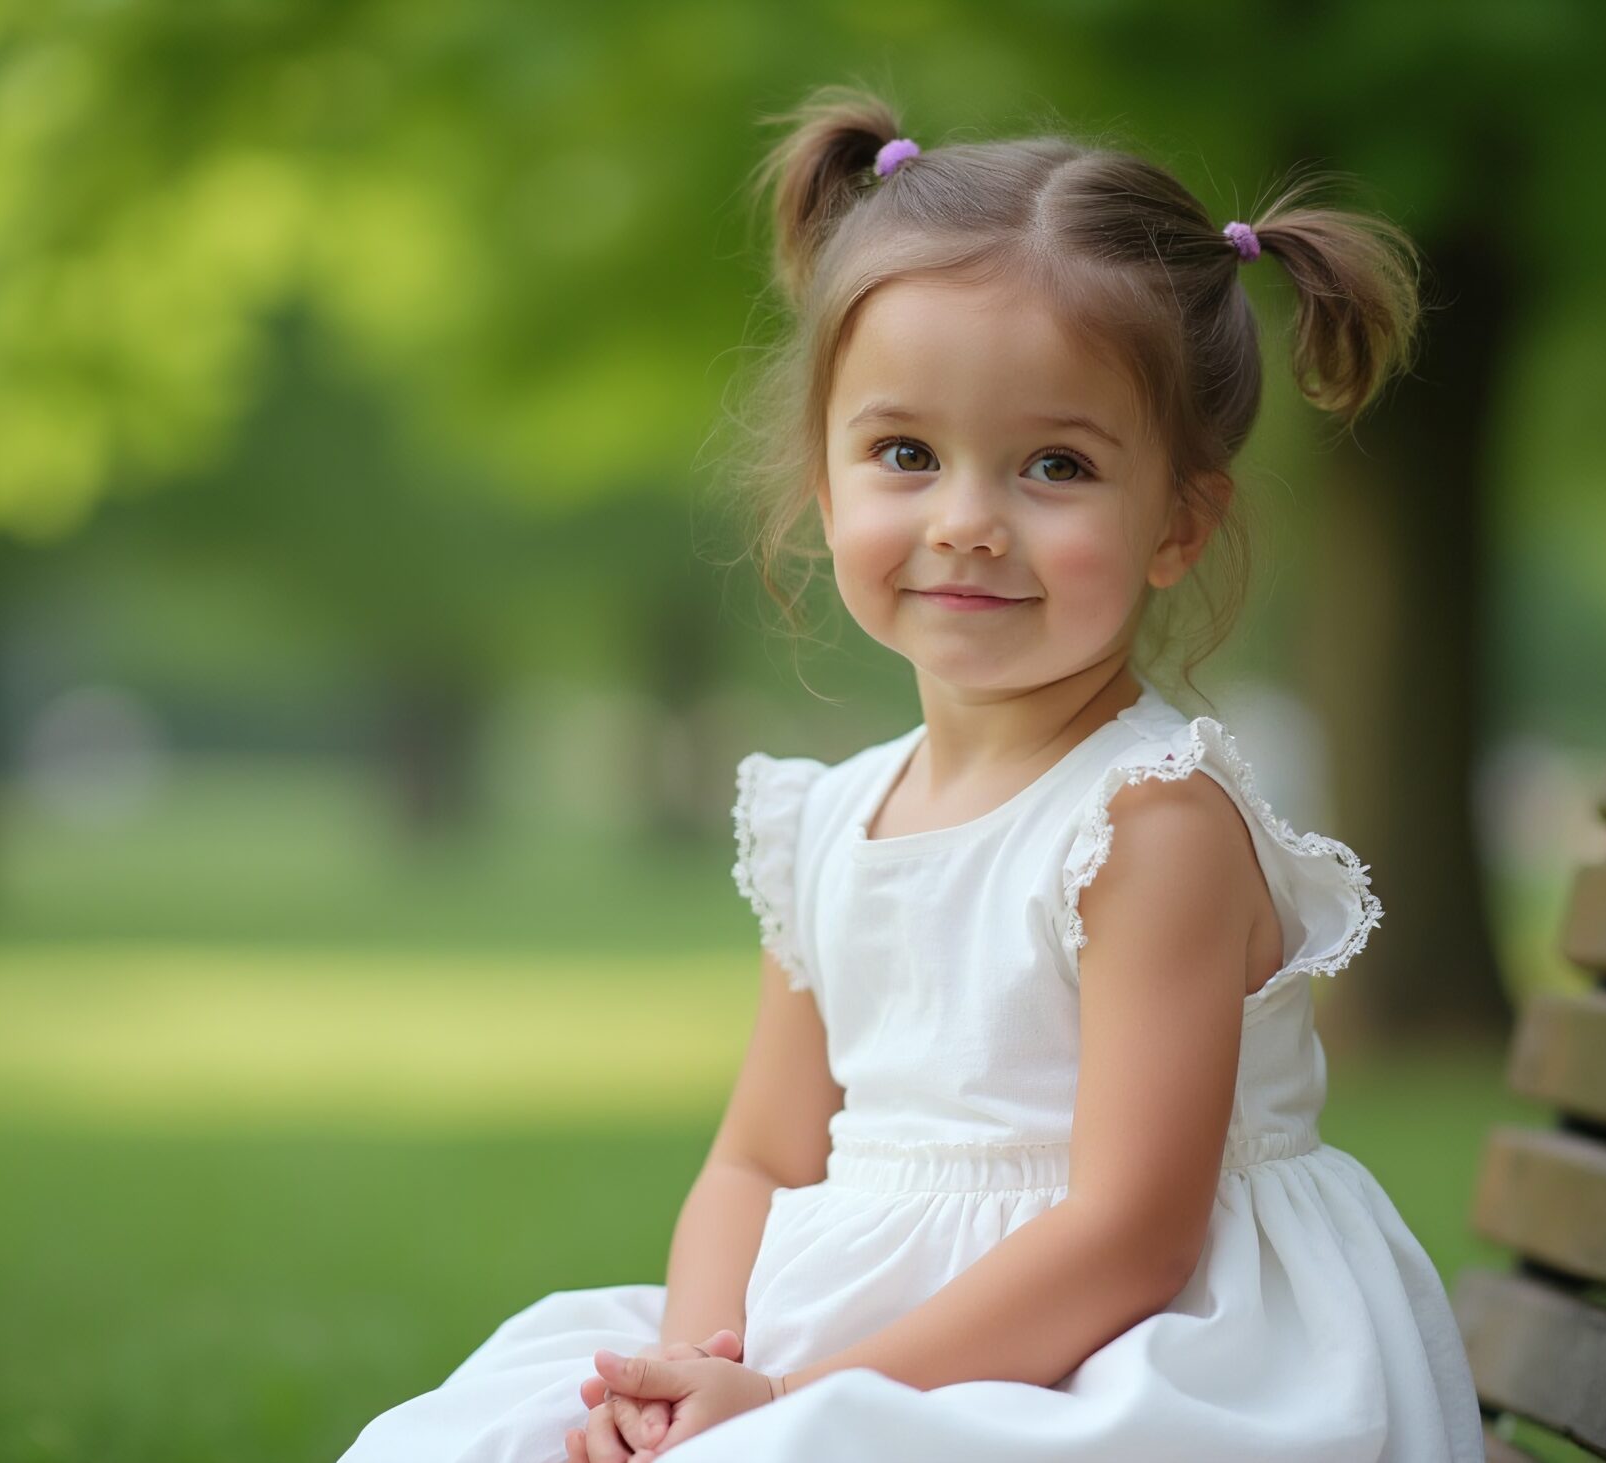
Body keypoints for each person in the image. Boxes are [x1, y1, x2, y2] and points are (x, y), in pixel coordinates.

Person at [336, 84, 1485, 1463]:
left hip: (1146, 1347)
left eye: (1054, 465)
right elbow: (760, 1157)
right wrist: (697, 1372)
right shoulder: (830, 820)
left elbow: (1129, 1237)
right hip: (868, 1333)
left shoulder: (1147, 823)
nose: (967, 523)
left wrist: (793, 1406)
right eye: (904, 455)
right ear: (827, 493)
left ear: (1177, 523)